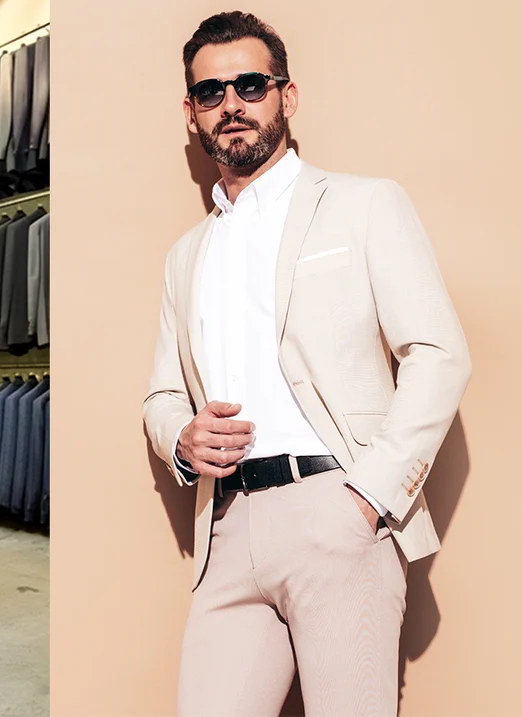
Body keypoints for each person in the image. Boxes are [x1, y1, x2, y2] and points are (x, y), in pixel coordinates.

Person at [141, 12, 471, 717]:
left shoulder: (363, 204)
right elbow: (163, 392)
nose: (232, 104)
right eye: (211, 92)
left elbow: (440, 354)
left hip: (337, 512)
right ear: (191, 113)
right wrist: (181, 438)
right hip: (225, 528)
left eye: (251, 84)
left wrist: (367, 499)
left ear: (287, 97)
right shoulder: (185, 255)